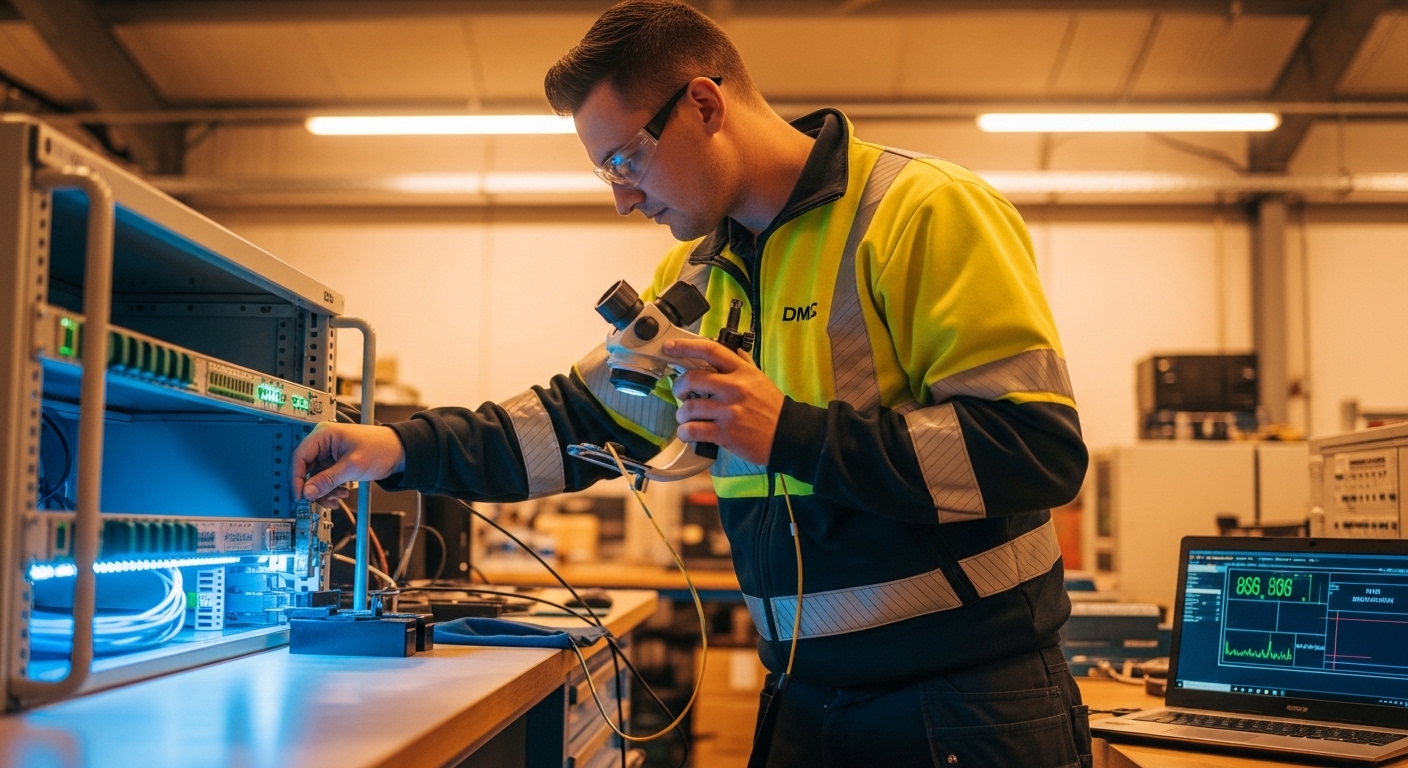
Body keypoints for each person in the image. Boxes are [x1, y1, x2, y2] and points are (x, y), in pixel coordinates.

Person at [291, 2, 1091, 765]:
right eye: (605, 172)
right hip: (806, 698)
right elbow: (582, 421)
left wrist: (789, 433)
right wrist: (396, 448)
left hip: (966, 704)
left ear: (704, 103)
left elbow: (1034, 450)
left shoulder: (923, 211)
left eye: (624, 159)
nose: (622, 198)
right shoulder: (695, 274)